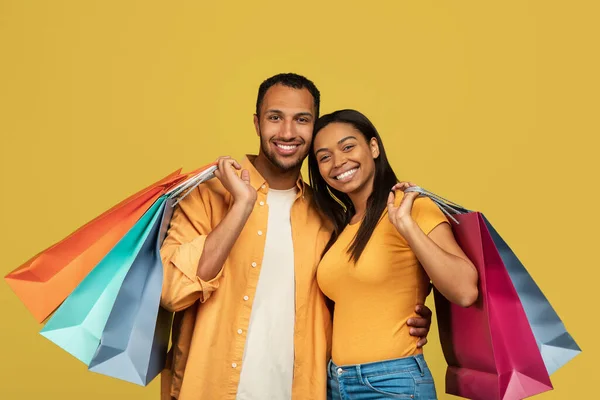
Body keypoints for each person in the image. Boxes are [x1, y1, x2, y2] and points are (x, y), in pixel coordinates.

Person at [159, 74, 434, 400]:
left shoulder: (329, 217)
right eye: (275, 117)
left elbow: (353, 295)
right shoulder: (205, 197)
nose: (288, 132)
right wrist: (241, 206)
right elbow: (173, 292)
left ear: (313, 128)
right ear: (257, 124)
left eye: (301, 120)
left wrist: (400, 314)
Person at [307, 109, 479, 399]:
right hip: (337, 383)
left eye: (348, 146)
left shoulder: (411, 207)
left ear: (373, 147)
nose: (338, 162)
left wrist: (407, 226)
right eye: (324, 157)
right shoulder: (341, 226)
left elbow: (465, 291)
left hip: (393, 383)